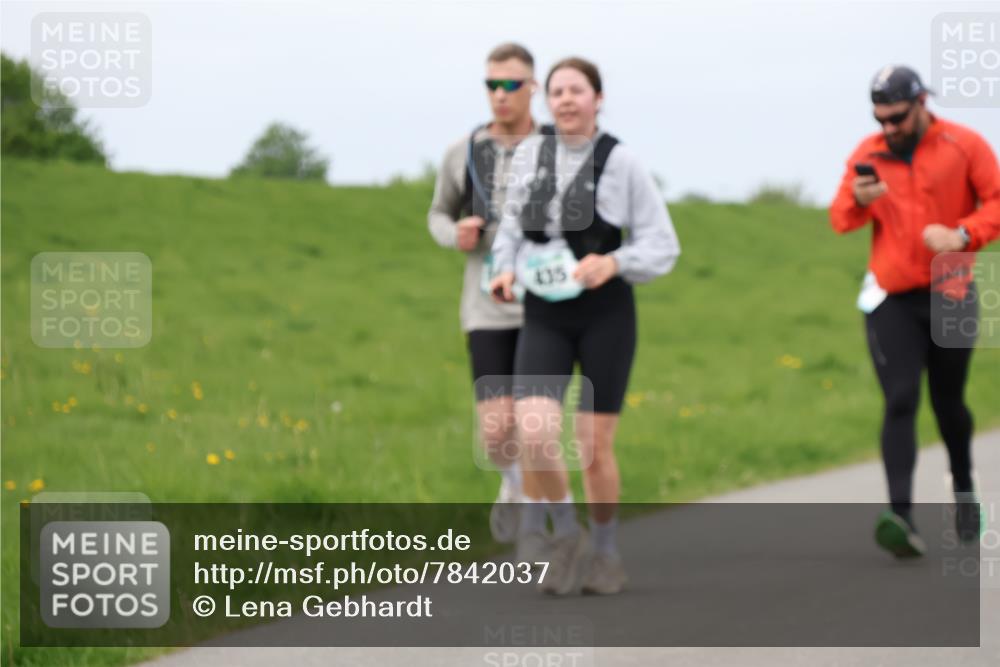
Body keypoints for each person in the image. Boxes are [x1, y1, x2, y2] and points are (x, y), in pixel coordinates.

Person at [489, 57, 680, 594]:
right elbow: (509, 230)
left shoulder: (623, 163)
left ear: (598, 98)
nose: (566, 99)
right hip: (544, 311)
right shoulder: (530, 155)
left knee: (593, 446)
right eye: (557, 91)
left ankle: (604, 551)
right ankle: (565, 531)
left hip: (605, 312)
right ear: (546, 102)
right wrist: (502, 268)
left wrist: (615, 262)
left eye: (577, 90)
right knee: (534, 431)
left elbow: (662, 244)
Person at [829, 65, 1000, 558]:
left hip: (951, 289)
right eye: (880, 118)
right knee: (900, 398)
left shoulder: (965, 145)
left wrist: (963, 235)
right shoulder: (868, 153)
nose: (889, 128)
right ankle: (899, 518)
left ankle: (964, 491)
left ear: (922, 103)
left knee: (949, 402)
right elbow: (839, 219)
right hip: (891, 294)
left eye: (898, 117)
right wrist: (858, 202)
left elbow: (995, 202)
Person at [427, 43, 544, 545]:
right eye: (492, 85)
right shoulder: (463, 152)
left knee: (536, 425)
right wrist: (457, 234)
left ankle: (537, 534)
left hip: (545, 305)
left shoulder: (560, 147)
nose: (500, 94)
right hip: (486, 309)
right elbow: (437, 213)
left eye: (511, 84)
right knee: (497, 430)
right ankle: (512, 485)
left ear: (532, 87)